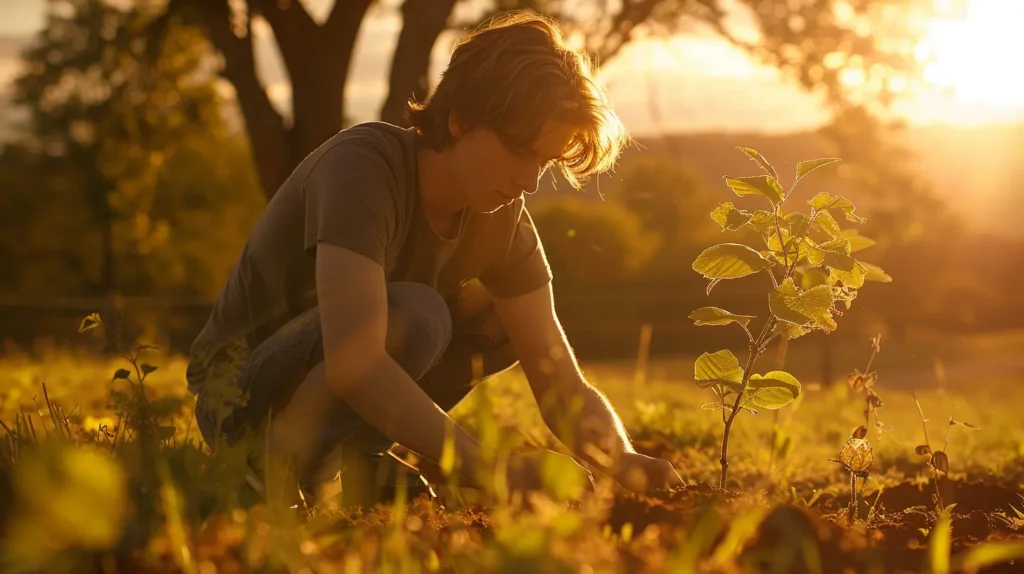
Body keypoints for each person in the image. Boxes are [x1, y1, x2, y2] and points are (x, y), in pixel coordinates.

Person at [185, 11, 683, 507]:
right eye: (519, 151)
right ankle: (264, 464)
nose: (530, 181)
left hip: (324, 378)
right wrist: (493, 472)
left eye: (544, 162)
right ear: (459, 118)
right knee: (418, 317)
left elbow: (561, 383)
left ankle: (356, 455)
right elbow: (354, 363)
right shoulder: (362, 167)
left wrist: (622, 458)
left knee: (500, 319)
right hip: (237, 395)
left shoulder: (503, 213)